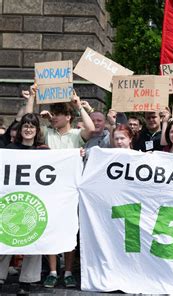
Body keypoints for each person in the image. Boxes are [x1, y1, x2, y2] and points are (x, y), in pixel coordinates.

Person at [39, 93, 94, 289]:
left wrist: (79, 106)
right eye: (52, 114)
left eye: (58, 114)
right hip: (50, 190)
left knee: (70, 230)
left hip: (71, 191)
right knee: (51, 228)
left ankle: (68, 271)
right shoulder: (47, 133)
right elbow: (24, 125)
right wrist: (38, 110)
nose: (54, 117)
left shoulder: (76, 135)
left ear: (68, 117)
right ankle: (53, 271)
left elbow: (91, 128)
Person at [0, 113, 47, 294]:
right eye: (25, 126)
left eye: (32, 126)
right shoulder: (9, 150)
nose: (28, 129)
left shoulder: (44, 152)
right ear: (20, 130)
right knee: (5, 236)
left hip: (35, 201)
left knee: (34, 239)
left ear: (37, 130)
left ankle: (27, 281)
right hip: (12, 200)